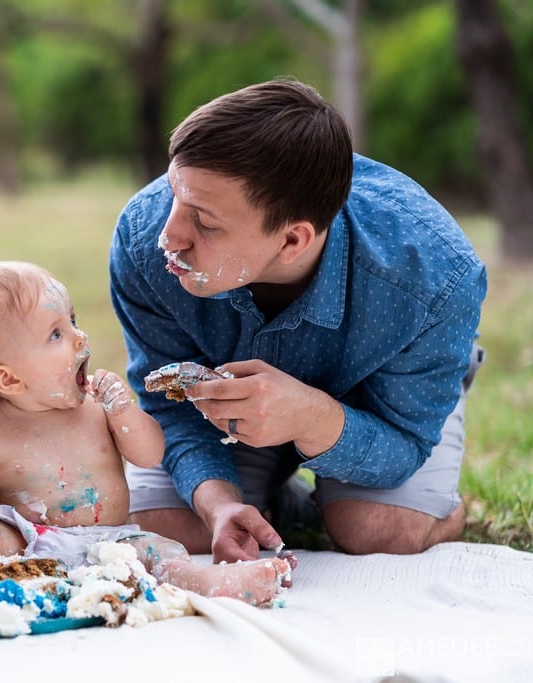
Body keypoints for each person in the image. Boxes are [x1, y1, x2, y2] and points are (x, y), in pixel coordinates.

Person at [109, 78, 487, 565]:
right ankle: (276, 500)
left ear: (292, 241)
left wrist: (311, 417)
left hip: (379, 397)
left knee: (378, 529)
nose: (169, 235)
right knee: (168, 525)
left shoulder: (435, 276)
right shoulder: (143, 239)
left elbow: (405, 439)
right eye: (173, 194)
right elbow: (169, 407)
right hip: (224, 402)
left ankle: (440, 509)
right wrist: (220, 506)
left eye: (203, 221)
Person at [0, 261, 294, 619]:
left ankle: (220, 583)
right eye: (56, 334)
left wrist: (125, 413)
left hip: (110, 542)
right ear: (7, 378)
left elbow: (149, 454)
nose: (78, 337)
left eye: (72, 321)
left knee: (161, 553)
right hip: (24, 543)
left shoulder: (98, 409)